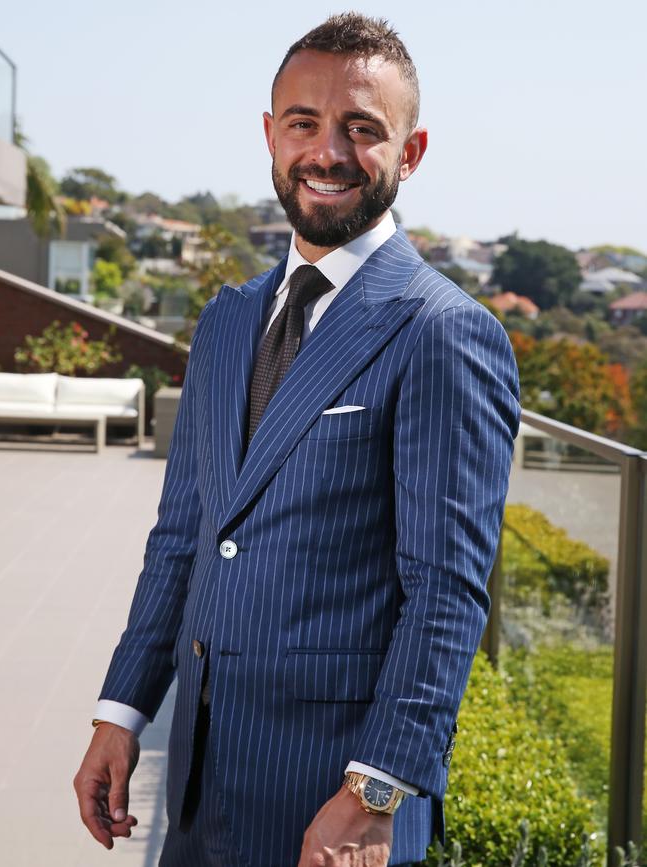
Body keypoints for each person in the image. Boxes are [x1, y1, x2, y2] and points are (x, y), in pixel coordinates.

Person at [74, 12, 520, 867]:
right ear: (269, 135)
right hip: (200, 790)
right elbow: (182, 542)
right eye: (304, 123)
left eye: (363, 128)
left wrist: (376, 790)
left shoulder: (443, 333)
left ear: (412, 151)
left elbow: (447, 594)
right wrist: (120, 711)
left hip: (337, 805)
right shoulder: (227, 320)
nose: (329, 152)